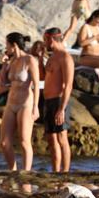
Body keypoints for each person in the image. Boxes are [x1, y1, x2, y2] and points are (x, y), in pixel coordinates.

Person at [0, 33, 40, 171]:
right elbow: (0, 87)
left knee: (24, 141)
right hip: (11, 103)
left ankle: (26, 174)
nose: (6, 48)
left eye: (7, 45)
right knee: (4, 143)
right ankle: (13, 171)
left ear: (13, 45)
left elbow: (37, 84)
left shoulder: (30, 60)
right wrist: (4, 65)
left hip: (25, 103)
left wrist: (35, 107)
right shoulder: (12, 62)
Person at [43, 28, 74, 173]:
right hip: (48, 101)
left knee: (62, 137)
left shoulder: (65, 58)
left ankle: (65, 172)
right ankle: (55, 171)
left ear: (51, 39)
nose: (44, 43)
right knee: (51, 138)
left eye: (45, 40)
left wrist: (62, 109)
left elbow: (68, 85)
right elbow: (45, 77)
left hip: (59, 101)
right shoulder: (52, 56)